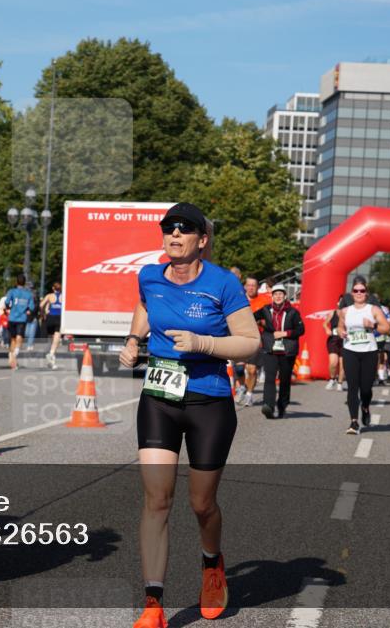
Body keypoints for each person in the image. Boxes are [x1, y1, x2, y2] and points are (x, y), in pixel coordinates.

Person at [118, 203, 260, 626]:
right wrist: (131, 339)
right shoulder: (149, 276)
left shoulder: (223, 284)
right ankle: (153, 605)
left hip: (208, 399)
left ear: (202, 239)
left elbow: (250, 341)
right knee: (157, 500)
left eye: (185, 230)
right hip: (160, 397)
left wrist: (202, 344)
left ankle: (212, 564)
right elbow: (145, 307)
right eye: (168, 229)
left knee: (201, 504)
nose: (174, 235)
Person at [337, 277, 390, 434]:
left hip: (369, 351)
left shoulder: (373, 309)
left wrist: (373, 325)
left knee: (366, 388)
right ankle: (354, 422)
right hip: (350, 351)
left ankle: (365, 407)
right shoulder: (345, 311)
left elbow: (386, 328)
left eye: (362, 291)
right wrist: (341, 332)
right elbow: (340, 327)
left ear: (366, 293)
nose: (359, 293)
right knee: (352, 387)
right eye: (356, 291)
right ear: (352, 293)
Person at [255, 284, 305, 419]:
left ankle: (282, 405)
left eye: (281, 294)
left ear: (285, 296)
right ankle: (268, 406)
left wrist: (285, 333)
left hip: (287, 350)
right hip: (270, 348)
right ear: (272, 296)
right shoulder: (266, 309)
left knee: (284, 380)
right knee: (270, 378)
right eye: (276, 294)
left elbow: (301, 330)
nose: (278, 296)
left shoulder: (293, 312)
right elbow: (251, 317)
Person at [239, 276, 271, 406]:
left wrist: (261, 322)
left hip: (256, 338)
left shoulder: (264, 301)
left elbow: (268, 321)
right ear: (245, 286)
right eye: (249, 285)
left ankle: (249, 394)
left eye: (254, 285)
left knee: (252, 370)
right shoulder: (238, 299)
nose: (251, 288)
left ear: (258, 287)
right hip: (238, 337)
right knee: (239, 370)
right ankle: (242, 386)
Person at [4, 275, 35, 370]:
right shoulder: (29, 294)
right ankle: (15, 355)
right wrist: (28, 310)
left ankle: (12, 359)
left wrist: (9, 308)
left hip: (12, 317)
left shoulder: (11, 291)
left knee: (13, 339)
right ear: (24, 283)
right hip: (22, 318)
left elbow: (7, 302)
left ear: (16, 282)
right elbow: (32, 307)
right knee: (19, 337)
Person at [40, 281, 64, 369]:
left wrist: (43, 314)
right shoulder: (63, 296)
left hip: (50, 318)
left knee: (51, 338)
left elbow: (41, 305)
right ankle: (51, 354)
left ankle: (50, 355)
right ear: (60, 289)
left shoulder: (49, 296)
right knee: (57, 337)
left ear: (53, 288)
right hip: (59, 318)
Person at [323, 303, 345, 391]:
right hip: (333, 340)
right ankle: (332, 379)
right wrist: (327, 329)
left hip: (345, 341)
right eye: (341, 301)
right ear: (338, 303)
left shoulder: (350, 314)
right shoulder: (333, 313)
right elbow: (324, 323)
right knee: (333, 363)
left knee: (343, 364)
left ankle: (340, 383)